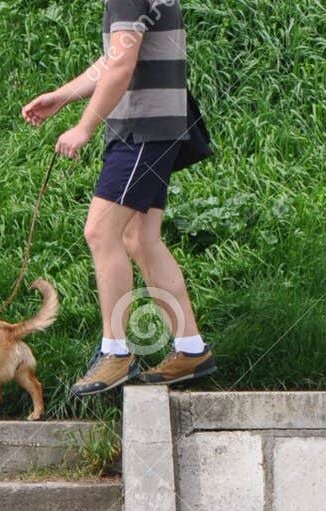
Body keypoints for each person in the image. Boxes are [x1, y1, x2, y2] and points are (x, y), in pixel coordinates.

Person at [22, 0, 215, 397]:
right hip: (158, 126)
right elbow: (116, 56)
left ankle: (116, 352)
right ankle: (191, 348)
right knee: (140, 239)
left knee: (100, 232)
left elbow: (122, 69)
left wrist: (84, 127)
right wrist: (63, 95)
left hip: (141, 130)